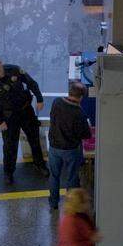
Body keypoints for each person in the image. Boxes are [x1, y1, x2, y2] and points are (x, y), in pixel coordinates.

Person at [0, 55, 50, 185]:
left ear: (1, 62)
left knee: (34, 139)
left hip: (26, 111)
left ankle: (39, 164)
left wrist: (39, 99)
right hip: (8, 117)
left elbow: (31, 83)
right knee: (9, 146)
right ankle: (8, 173)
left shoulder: (14, 70)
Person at [47, 81, 92, 211]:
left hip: (54, 147)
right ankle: (71, 205)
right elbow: (86, 135)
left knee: (54, 176)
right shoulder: (79, 112)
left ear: (69, 92)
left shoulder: (56, 102)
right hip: (71, 150)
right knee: (72, 177)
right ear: (81, 97)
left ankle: (53, 203)